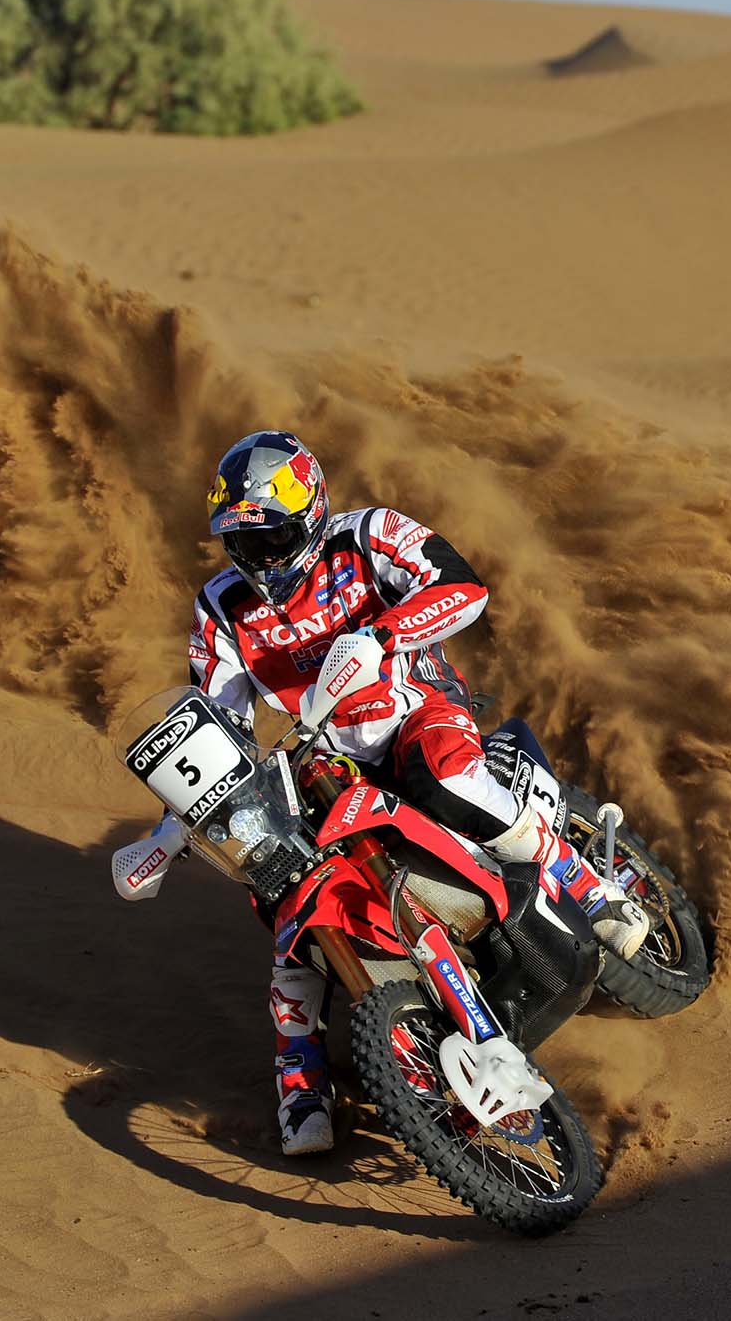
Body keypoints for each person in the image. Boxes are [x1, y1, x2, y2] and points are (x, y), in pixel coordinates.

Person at [155, 429, 647, 1156]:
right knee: (285, 889)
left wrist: (382, 636)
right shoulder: (221, 608)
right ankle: (300, 1071)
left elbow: (463, 588)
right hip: (328, 762)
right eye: (243, 543)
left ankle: (580, 879)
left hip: (416, 710)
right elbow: (218, 722)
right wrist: (176, 821)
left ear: (310, 513)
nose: (260, 559)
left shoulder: (368, 535)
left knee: (445, 778)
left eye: (272, 538)